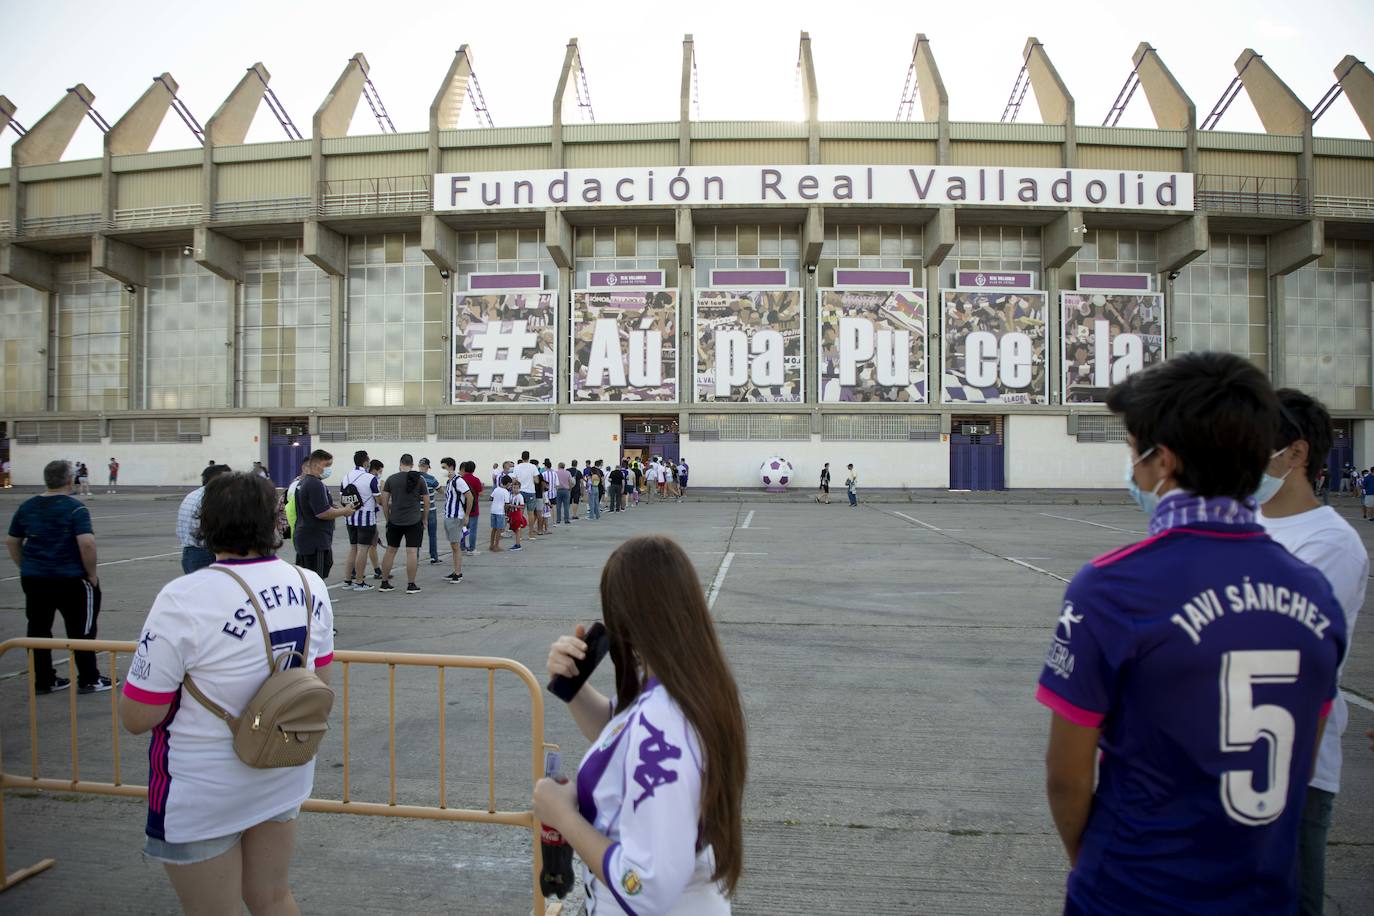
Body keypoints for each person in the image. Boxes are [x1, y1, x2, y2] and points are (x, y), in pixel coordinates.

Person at [1036, 352, 1345, 914]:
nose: (1132, 472)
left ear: (1164, 462)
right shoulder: (1313, 593)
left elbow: (1066, 775)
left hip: (1134, 889)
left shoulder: (1112, 587)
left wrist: (1096, 862)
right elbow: (1305, 753)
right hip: (1262, 892)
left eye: (1134, 453)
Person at [120, 471, 334, 915]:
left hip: (204, 785)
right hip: (283, 766)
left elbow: (139, 715)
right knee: (274, 896)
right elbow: (321, 681)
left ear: (206, 523)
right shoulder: (310, 583)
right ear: (275, 522)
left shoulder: (184, 596)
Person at [535, 535, 746, 914]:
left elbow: (644, 887)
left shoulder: (665, 718)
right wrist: (574, 689)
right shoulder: (686, 683)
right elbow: (620, 733)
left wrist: (562, 816)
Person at [1256, 390, 1366, 916]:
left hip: (1293, 774)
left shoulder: (1329, 543)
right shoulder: (1237, 526)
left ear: (1295, 454)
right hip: (1215, 763)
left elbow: (1283, 655)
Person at [6, 460, 111, 695]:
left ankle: (43, 680)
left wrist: (25, 565)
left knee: (38, 629)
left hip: (35, 579)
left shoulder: (27, 507)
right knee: (82, 630)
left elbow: (12, 541)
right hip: (71, 579)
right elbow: (87, 542)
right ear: (68, 480)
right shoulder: (74, 508)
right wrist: (92, 574)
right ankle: (89, 678)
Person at [292, 450, 354, 581]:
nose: (329, 469)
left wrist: (333, 508)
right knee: (316, 578)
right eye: (327, 465)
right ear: (315, 464)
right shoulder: (315, 484)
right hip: (315, 541)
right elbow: (322, 513)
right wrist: (344, 511)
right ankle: (315, 601)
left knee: (307, 577)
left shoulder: (303, 482)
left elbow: (314, 507)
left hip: (306, 538)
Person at [378, 454, 430, 595]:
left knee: (390, 550)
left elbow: (384, 501)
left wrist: (388, 518)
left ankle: (384, 582)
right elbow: (426, 502)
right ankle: (411, 584)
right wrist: (424, 519)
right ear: (412, 465)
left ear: (400, 464)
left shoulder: (391, 479)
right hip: (414, 520)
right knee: (412, 552)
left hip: (395, 520)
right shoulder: (419, 479)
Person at [177, 464, 231, 574]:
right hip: (205, 553)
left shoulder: (194, 494)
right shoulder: (211, 497)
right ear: (217, 479)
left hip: (189, 552)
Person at [340, 450, 380, 592]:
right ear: (365, 462)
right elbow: (378, 499)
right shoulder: (370, 478)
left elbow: (342, 497)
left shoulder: (346, 477)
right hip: (366, 517)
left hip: (350, 517)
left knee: (353, 548)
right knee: (363, 549)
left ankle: (347, 580)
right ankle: (359, 581)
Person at [439, 457, 470, 584]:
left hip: (456, 517)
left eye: (444, 467)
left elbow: (470, 497)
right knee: (453, 545)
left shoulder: (459, 481)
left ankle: (458, 573)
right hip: (449, 515)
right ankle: (455, 571)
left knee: (456, 546)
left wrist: (466, 515)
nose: (443, 470)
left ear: (451, 467)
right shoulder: (449, 481)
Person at [417, 459, 442, 565]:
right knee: (432, 535)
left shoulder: (414, 478)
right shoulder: (431, 479)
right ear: (428, 467)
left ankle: (415, 557)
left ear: (419, 466)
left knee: (417, 535)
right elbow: (440, 490)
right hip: (430, 510)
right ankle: (434, 557)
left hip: (417, 510)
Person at [459, 461, 484, 555]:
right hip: (473, 508)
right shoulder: (476, 480)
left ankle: (462, 547)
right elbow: (480, 494)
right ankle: (472, 548)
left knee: (463, 528)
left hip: (462, 508)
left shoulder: (461, 479)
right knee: (473, 529)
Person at [512, 451, 538, 520]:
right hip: (530, 491)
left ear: (521, 457)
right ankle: (531, 530)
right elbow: (536, 481)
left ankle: (519, 528)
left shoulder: (517, 467)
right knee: (531, 513)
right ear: (529, 457)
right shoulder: (533, 467)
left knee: (520, 511)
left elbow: (514, 480)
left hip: (520, 491)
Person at [489, 474, 511, 552]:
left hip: (493, 510)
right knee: (499, 529)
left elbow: (490, 498)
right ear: (508, 483)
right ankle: (496, 546)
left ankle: (491, 545)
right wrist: (506, 513)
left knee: (494, 529)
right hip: (500, 512)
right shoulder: (506, 492)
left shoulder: (496, 489)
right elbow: (507, 504)